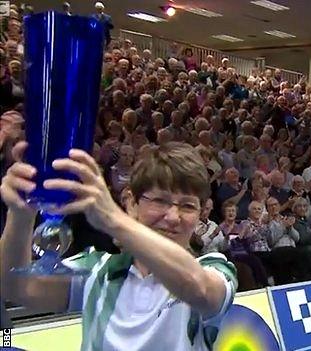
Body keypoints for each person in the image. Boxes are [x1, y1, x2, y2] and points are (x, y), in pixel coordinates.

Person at [0, 142, 239, 350]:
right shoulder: (99, 270)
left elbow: (201, 289)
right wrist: (21, 213)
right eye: (160, 200)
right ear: (131, 203)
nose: (174, 216)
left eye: (188, 206)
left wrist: (114, 220)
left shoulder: (214, 267)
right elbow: (16, 288)